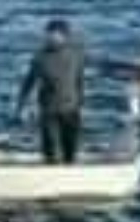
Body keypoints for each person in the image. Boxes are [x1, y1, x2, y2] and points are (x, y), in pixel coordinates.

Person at [15, 19, 87, 164]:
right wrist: (21, 105)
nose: (51, 37)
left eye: (55, 34)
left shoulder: (76, 55)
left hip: (71, 108)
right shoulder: (40, 57)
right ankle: (50, 169)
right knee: (50, 147)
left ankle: (69, 170)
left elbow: (79, 81)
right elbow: (29, 82)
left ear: (64, 36)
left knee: (70, 149)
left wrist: (81, 103)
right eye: (49, 34)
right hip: (49, 109)